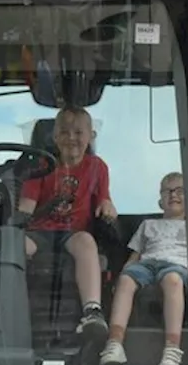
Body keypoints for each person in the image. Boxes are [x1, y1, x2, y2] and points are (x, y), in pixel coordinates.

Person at [15, 105, 117, 348]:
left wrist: (108, 207)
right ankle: (9, 310)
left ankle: (92, 312)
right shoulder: (41, 165)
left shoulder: (97, 167)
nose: (71, 138)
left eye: (78, 132)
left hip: (73, 233)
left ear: (91, 136)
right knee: (16, 246)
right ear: (54, 136)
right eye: (64, 132)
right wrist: (5, 238)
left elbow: (104, 199)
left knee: (86, 242)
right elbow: (25, 209)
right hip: (39, 231)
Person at [99, 172, 188, 365]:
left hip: (176, 266)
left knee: (173, 280)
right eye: (168, 191)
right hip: (147, 264)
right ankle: (115, 344)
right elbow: (135, 255)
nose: (173, 195)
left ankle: (172, 348)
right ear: (160, 201)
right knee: (126, 280)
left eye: (180, 191)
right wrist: (123, 274)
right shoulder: (148, 225)